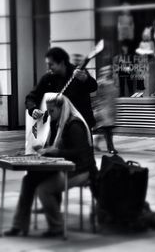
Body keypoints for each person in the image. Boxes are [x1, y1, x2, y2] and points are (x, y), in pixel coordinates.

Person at [5, 94, 96, 237]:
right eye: (49, 111)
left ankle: (57, 226)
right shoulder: (59, 123)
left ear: (62, 109)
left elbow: (79, 152)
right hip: (64, 166)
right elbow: (54, 149)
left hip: (80, 170)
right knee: (29, 180)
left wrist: (55, 151)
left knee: (43, 189)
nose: (50, 114)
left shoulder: (74, 125)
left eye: (52, 111)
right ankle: (19, 225)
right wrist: (42, 151)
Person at [25, 47, 98, 129]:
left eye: (51, 64)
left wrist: (86, 79)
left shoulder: (78, 73)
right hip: (57, 127)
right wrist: (33, 109)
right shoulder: (48, 78)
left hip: (80, 124)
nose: (48, 68)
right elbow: (31, 97)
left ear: (62, 62)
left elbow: (93, 87)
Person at [93, 65, 119, 154]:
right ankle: (110, 148)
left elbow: (114, 95)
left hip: (111, 109)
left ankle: (95, 143)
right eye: (106, 70)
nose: (108, 72)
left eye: (109, 70)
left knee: (105, 129)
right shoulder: (100, 83)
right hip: (103, 109)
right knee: (108, 131)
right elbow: (96, 96)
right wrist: (97, 108)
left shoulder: (112, 82)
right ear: (102, 72)